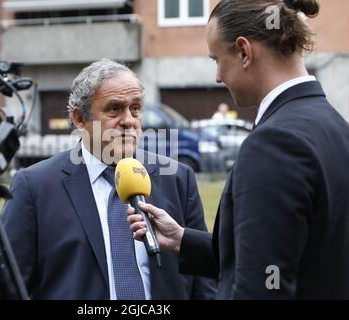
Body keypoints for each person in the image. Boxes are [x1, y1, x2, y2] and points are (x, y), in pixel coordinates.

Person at [128, 0, 349, 299]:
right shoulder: (335, 125)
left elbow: (261, 286)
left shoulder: (274, 143)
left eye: (216, 59)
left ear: (244, 52)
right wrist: (182, 240)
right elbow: (291, 256)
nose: (217, 76)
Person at [0, 59, 216, 299]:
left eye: (135, 108)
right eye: (114, 109)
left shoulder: (178, 179)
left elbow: (204, 286)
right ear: (80, 119)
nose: (129, 121)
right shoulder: (34, 188)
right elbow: (4, 287)